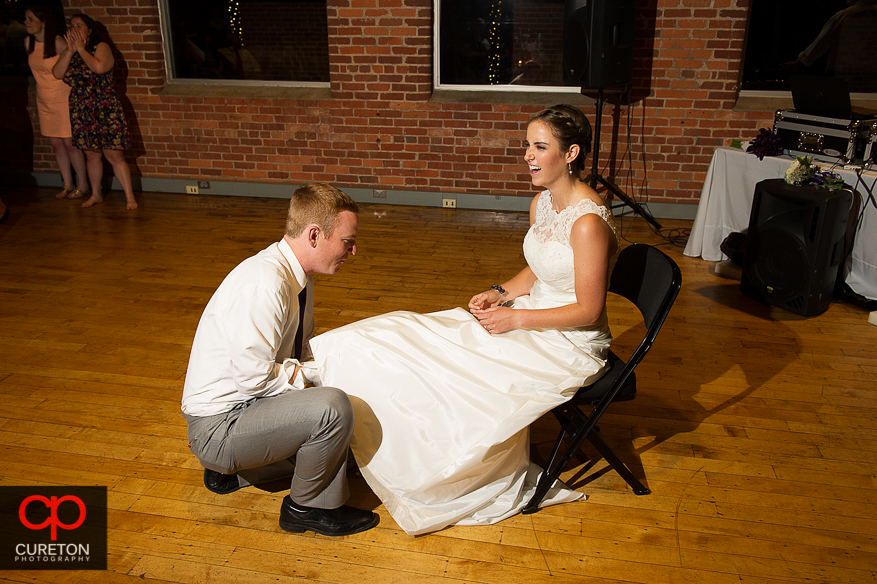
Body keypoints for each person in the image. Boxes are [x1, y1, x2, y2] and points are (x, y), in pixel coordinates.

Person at [307, 104, 621, 535]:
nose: (528, 155)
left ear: (571, 155)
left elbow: (587, 309)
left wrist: (515, 322)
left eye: (540, 147)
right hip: (530, 316)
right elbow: (543, 269)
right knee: (413, 334)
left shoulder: (588, 222)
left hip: (568, 342)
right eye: (527, 145)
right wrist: (500, 293)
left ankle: (426, 468)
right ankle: (353, 421)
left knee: (452, 366)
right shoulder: (543, 204)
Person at [181, 183, 378, 537]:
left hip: (243, 410)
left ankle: (239, 472)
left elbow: (297, 353)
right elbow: (253, 380)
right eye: (348, 241)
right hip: (219, 428)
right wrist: (324, 376)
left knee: (349, 440)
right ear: (315, 235)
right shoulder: (265, 283)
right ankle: (307, 508)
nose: (354, 250)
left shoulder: (298, 275)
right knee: (333, 408)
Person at [52, 13, 137, 210]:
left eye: (79, 26)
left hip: (105, 106)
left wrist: (81, 50)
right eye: (71, 26)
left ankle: (130, 197)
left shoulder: (101, 47)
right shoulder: (70, 52)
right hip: (82, 108)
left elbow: (100, 67)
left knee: (115, 155)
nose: (74, 29)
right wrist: (70, 51)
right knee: (92, 155)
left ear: (89, 30)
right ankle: (96, 194)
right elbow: (57, 73)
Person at [24, 5, 89, 200]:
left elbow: (76, 67)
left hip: (62, 96)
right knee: (56, 144)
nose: (26, 23)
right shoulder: (28, 42)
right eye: (25, 19)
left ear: (43, 23)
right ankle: (67, 183)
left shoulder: (58, 43)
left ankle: (83, 184)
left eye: (30, 19)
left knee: (70, 144)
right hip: (44, 98)